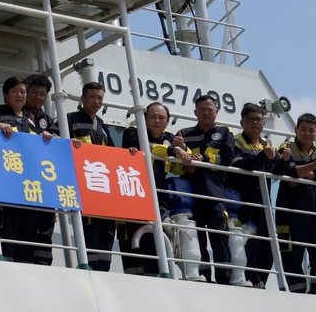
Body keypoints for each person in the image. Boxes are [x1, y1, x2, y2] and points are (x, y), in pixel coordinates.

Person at [0, 75, 57, 265]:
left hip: (31, 188)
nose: (20, 95)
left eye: (23, 92)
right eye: (15, 91)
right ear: (5, 94)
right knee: (8, 231)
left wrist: (49, 137)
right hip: (7, 186)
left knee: (28, 235)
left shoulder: (32, 121)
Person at [122, 101, 187, 276]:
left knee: (154, 243)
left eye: (161, 118)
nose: (157, 121)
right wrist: (174, 150)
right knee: (132, 240)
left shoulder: (170, 138)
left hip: (156, 199)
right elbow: (146, 148)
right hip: (132, 195)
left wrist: (183, 148)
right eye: (153, 117)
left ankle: (155, 276)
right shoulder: (133, 132)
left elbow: (176, 168)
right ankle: (134, 279)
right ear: (144, 119)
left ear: (167, 121)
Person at [178, 94, 237, 284]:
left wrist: (203, 159)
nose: (206, 112)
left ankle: (224, 279)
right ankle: (202, 275)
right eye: (202, 109)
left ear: (216, 111)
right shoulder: (183, 134)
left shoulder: (225, 132)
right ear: (195, 112)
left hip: (215, 193)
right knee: (198, 237)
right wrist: (186, 162)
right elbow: (175, 159)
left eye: (209, 109)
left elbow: (228, 158)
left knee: (219, 237)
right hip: (191, 193)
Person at [272, 113, 316, 295]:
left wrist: (299, 173)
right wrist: (312, 167)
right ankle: (297, 290)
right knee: (291, 249)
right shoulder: (286, 147)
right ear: (296, 130)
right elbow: (282, 169)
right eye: (303, 129)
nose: (307, 133)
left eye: (311, 130)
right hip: (290, 207)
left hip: (313, 207)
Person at [69, 82, 119, 272]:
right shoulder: (70, 120)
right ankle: (89, 266)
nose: (97, 101)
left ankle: (104, 270)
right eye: (92, 97)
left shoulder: (103, 126)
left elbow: (113, 154)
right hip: (84, 188)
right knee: (90, 230)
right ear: (83, 98)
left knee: (107, 231)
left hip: (104, 190)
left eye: (100, 98)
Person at [230, 102, 277, 288]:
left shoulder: (268, 145)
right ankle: (253, 280)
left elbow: (277, 167)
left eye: (259, 119)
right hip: (243, 202)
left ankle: (261, 282)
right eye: (251, 119)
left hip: (264, 204)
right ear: (242, 122)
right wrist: (263, 157)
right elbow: (241, 164)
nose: (255, 123)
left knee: (268, 246)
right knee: (249, 244)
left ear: (264, 123)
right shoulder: (235, 142)